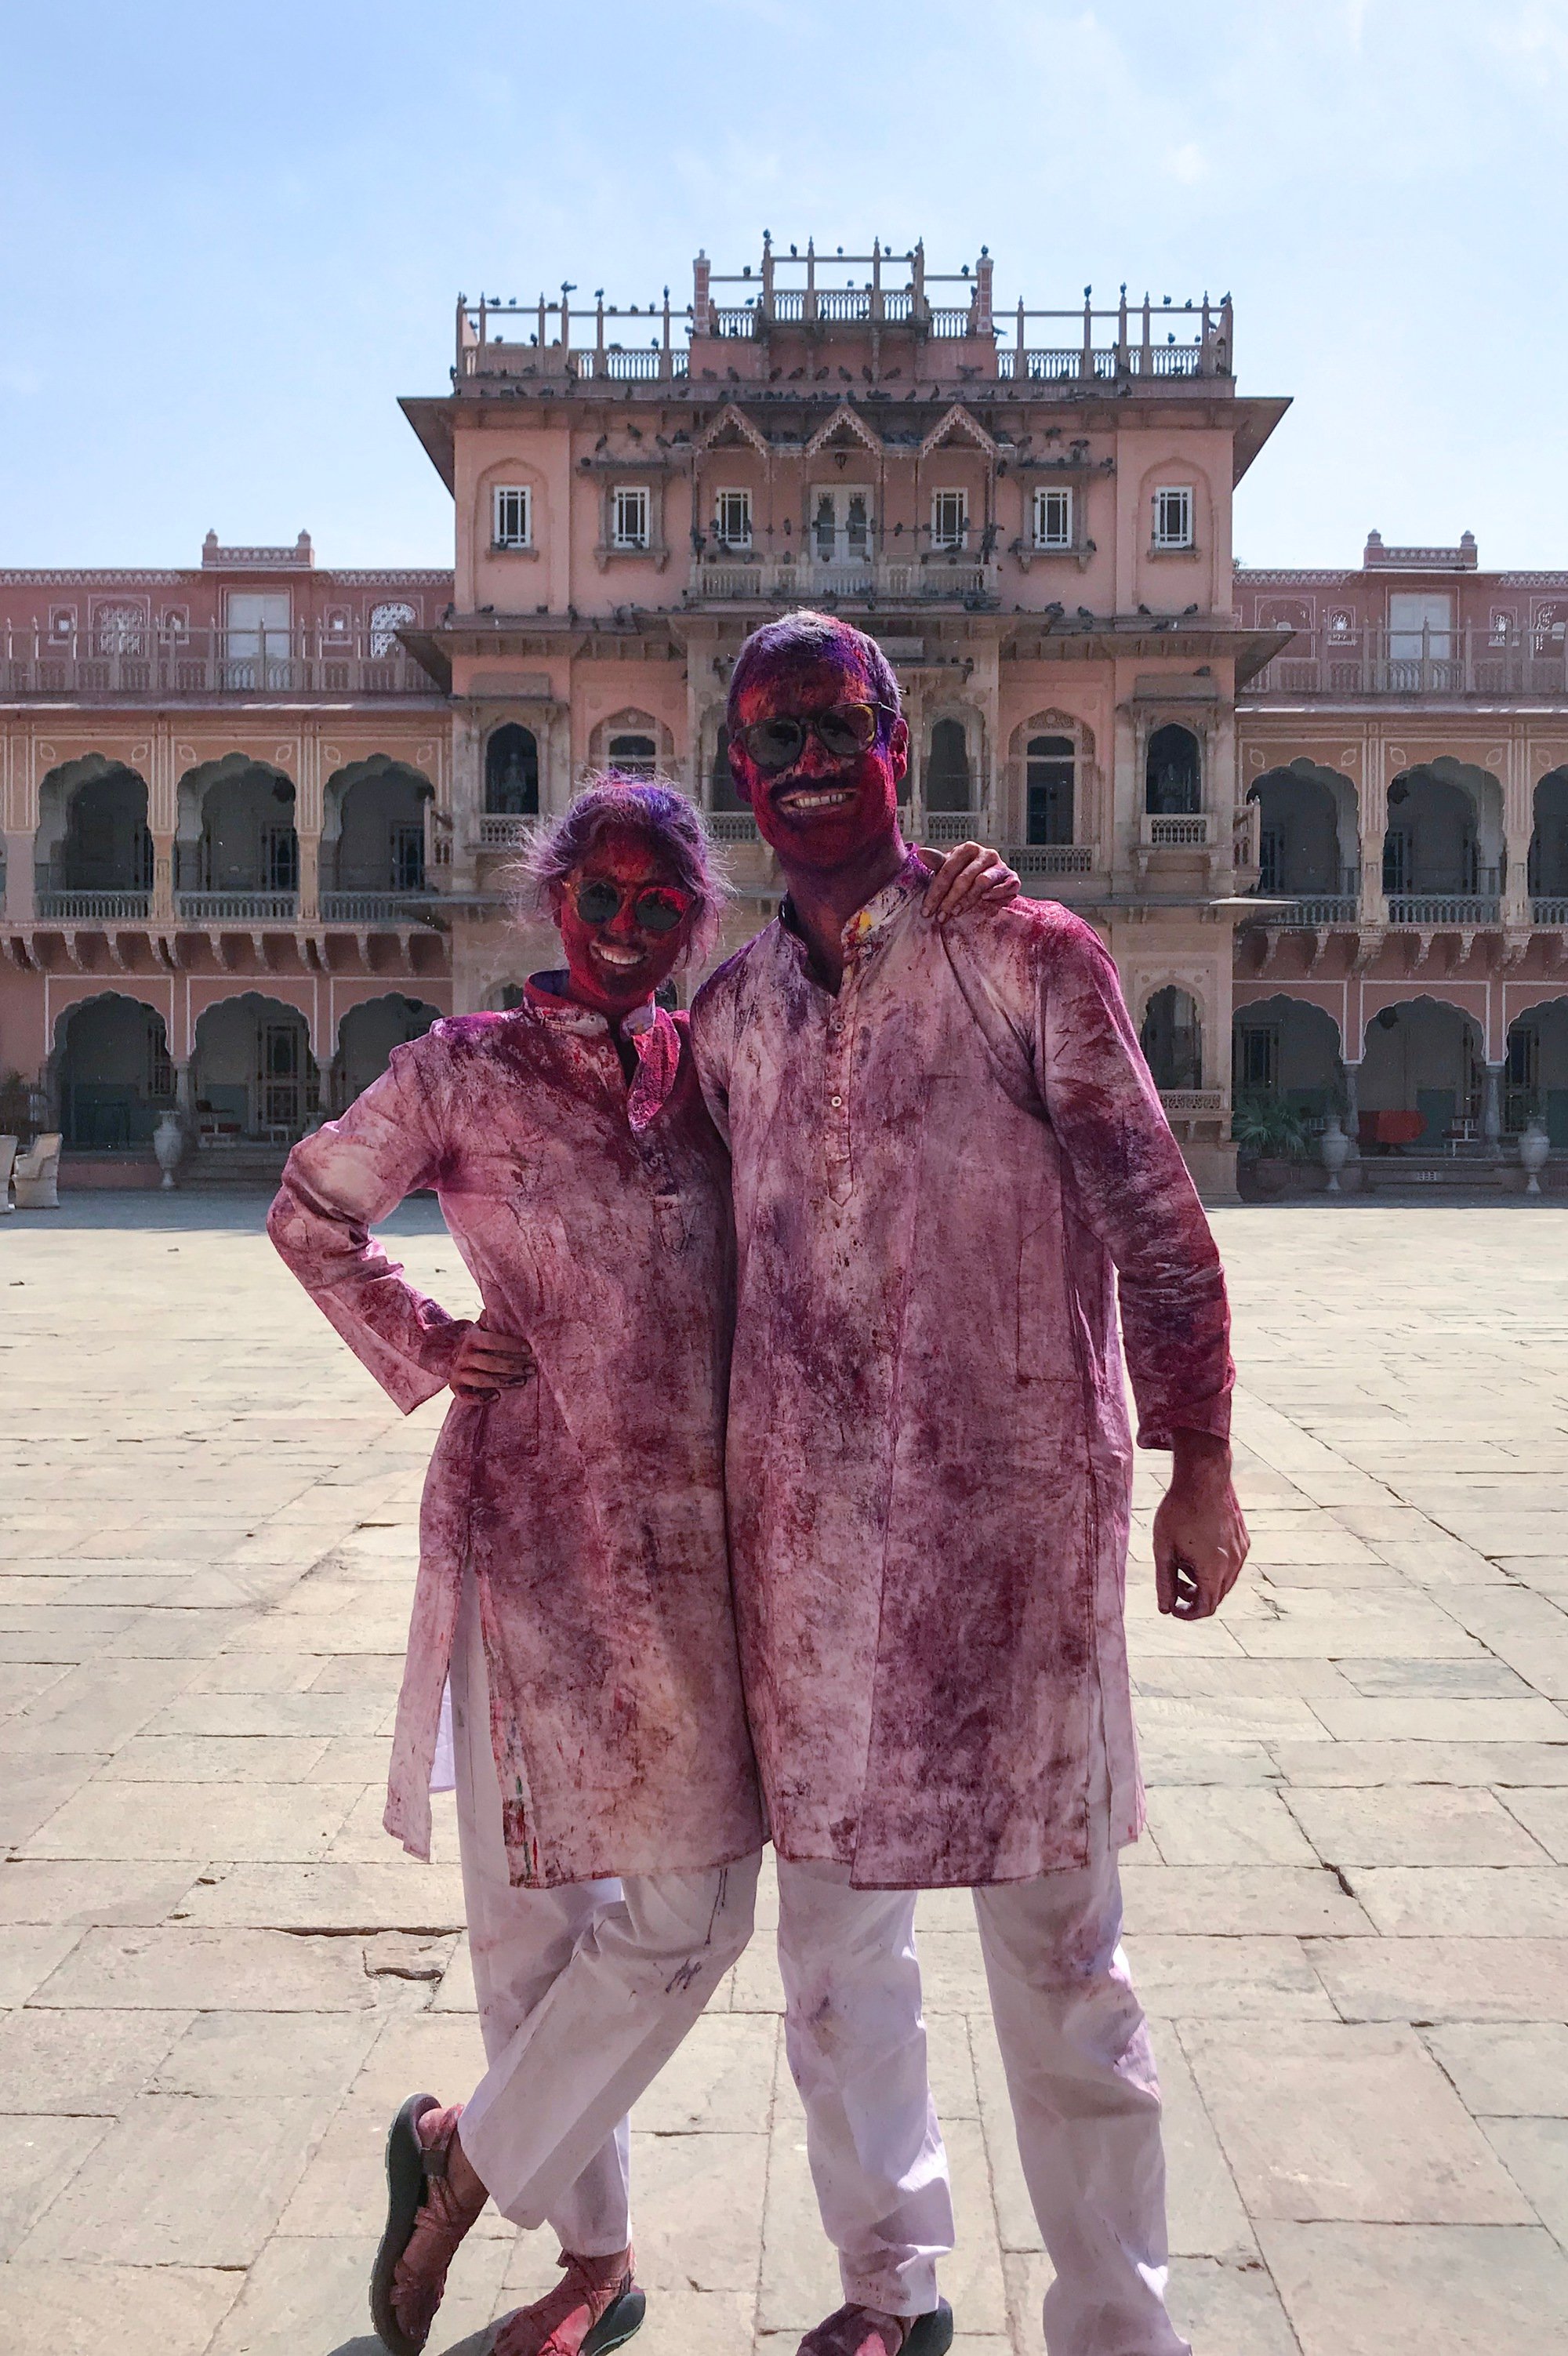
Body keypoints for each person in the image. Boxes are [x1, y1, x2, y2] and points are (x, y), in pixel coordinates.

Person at [268, 775, 1015, 2356]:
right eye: (597, 897)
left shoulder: (712, 1073)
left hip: (704, 1552)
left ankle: (455, 2159)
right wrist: (426, 1336)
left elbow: (871, 1067)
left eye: (658, 905)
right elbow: (314, 1207)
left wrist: (955, 915)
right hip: (529, 1542)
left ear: (697, 922)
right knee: (540, 1913)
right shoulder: (463, 1070)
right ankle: (591, 2263)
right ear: (555, 903)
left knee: (684, 1913)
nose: (622, 929)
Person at [689, 614, 1250, 2356]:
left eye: (827, 727)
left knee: (1068, 1975)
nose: (796, 764)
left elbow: (1153, 1213)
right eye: (765, 738)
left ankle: (1116, 2323)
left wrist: (1200, 1460)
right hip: (807, 1549)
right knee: (836, 1961)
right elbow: (688, 1263)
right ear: (735, 774)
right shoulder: (728, 1013)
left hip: (1015, 1543)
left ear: (897, 743)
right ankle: (887, 2285)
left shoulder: (1025, 955)